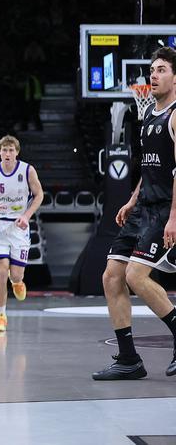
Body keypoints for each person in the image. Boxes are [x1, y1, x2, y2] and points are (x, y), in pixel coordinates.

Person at [94, 48, 176, 380]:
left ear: (175, 77)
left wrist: (174, 217)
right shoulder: (148, 116)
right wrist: (131, 199)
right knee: (111, 276)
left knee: (135, 276)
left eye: (160, 70)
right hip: (143, 207)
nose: (152, 75)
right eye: (151, 70)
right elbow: (149, 167)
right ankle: (129, 359)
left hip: (164, 210)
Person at [0, 135, 43, 332]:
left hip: (18, 227)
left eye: (11, 150)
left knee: (15, 274)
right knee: (1, 269)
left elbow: (39, 195)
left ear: (17, 152)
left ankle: (17, 282)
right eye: (4, 150)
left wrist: (27, 216)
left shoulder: (27, 170)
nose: (7, 153)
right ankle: (1, 315)